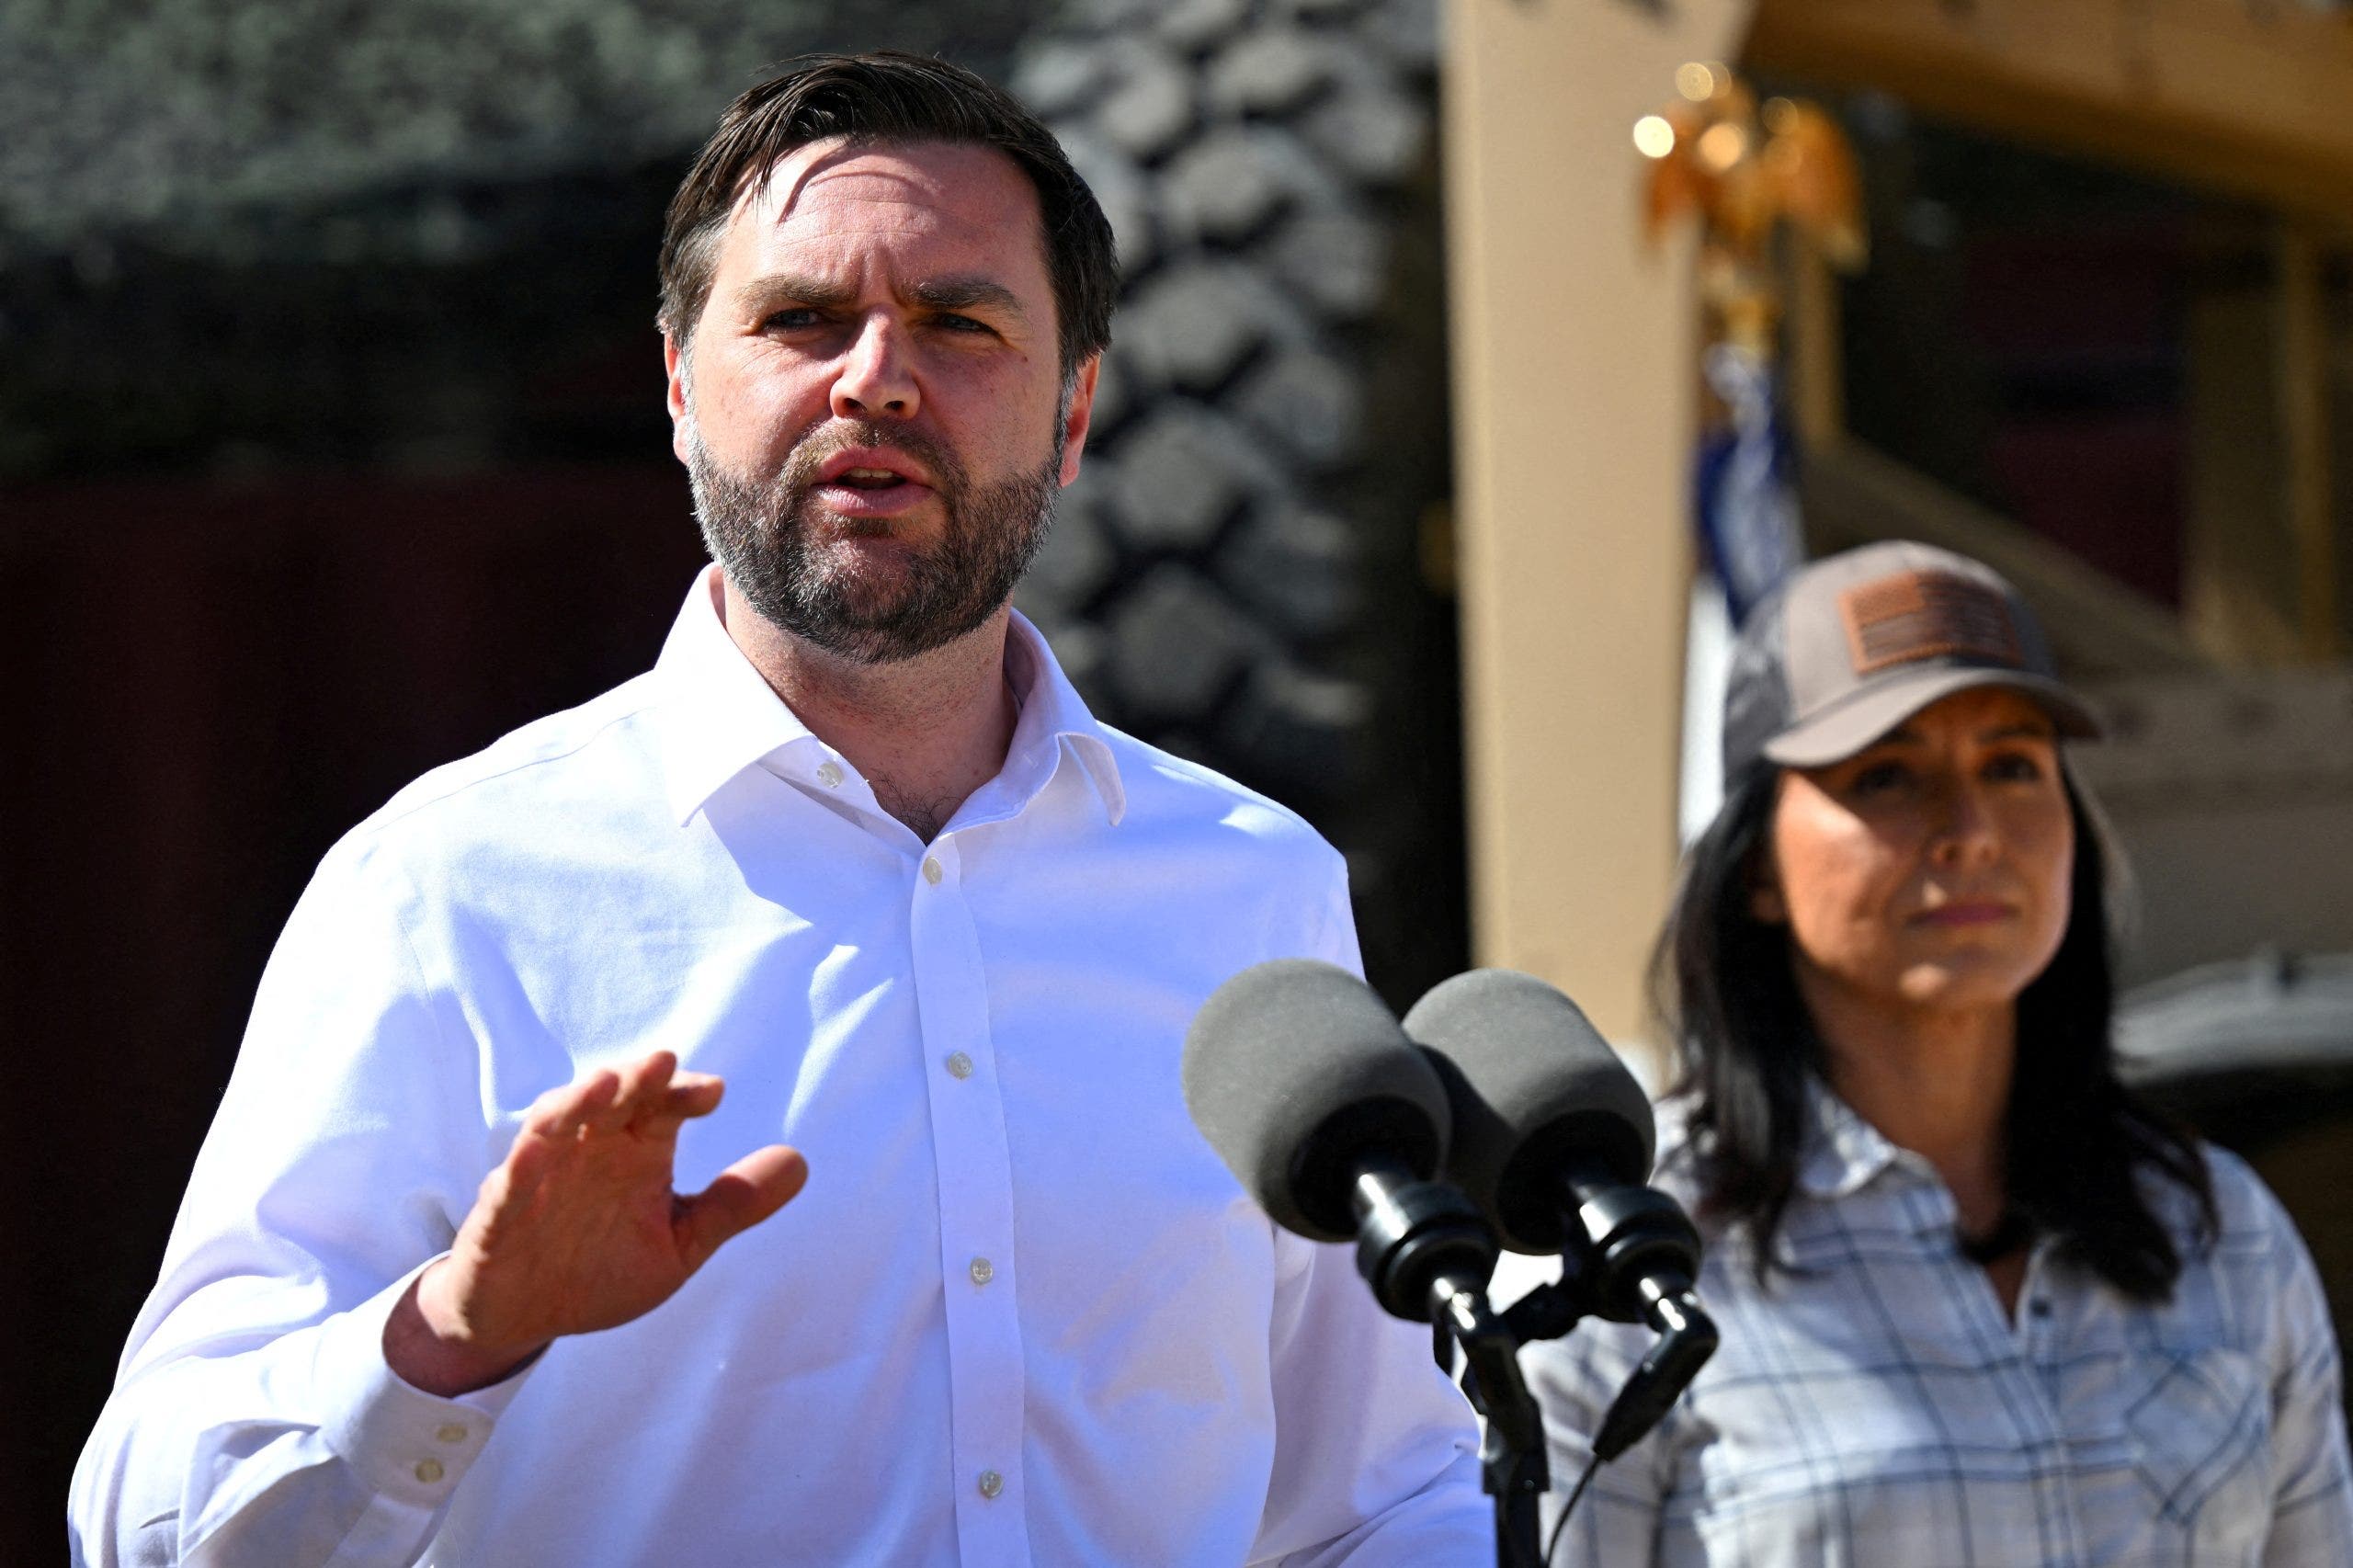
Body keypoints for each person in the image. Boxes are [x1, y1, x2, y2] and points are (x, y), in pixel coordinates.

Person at [70, 53, 1484, 1567]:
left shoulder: (1249, 889)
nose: (877, 378)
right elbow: (143, 1520)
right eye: (802, 318)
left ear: (1075, 415)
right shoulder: (446, 890)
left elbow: (1382, 1503)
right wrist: (455, 1330)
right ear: (682, 390)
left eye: (960, 323)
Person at [1529, 541, 2353, 1565]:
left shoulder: (2221, 1229)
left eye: (2012, 765)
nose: (1971, 831)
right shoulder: (1631, 1261)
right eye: (1887, 775)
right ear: (1756, 869)